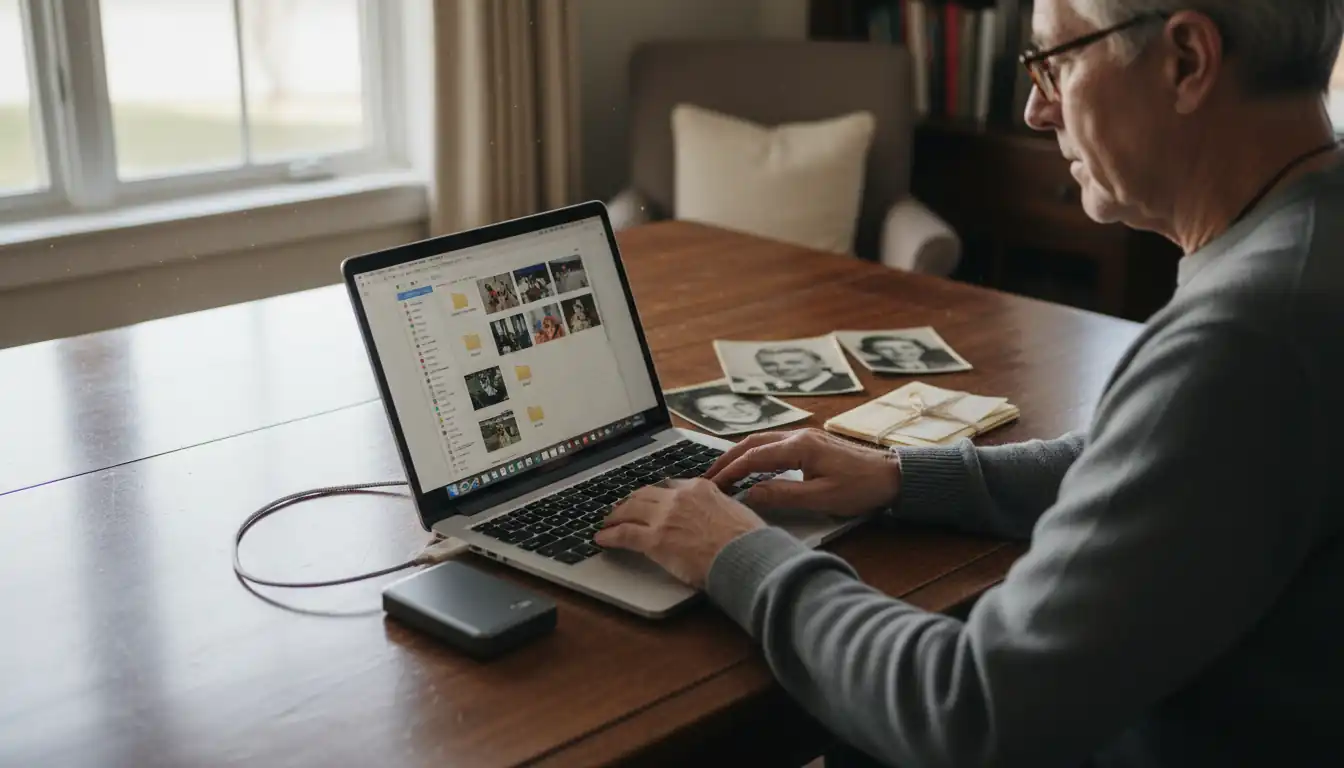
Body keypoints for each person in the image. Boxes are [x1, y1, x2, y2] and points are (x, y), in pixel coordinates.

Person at [596, 1, 1344, 765]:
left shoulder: (1246, 338)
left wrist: (736, 551)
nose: (1035, 106)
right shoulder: (1306, 247)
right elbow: (1147, 463)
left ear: (1186, 60)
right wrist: (900, 476)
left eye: (1057, 58)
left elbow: (969, 709)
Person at [739, 347, 853, 394]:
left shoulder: (847, 385)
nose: (782, 368)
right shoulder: (769, 388)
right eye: (770, 364)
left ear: (820, 362)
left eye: (793, 362)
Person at [858, 335, 961, 372]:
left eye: (906, 347)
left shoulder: (946, 364)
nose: (898, 352)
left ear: (921, 349)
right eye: (886, 349)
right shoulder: (874, 367)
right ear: (876, 352)